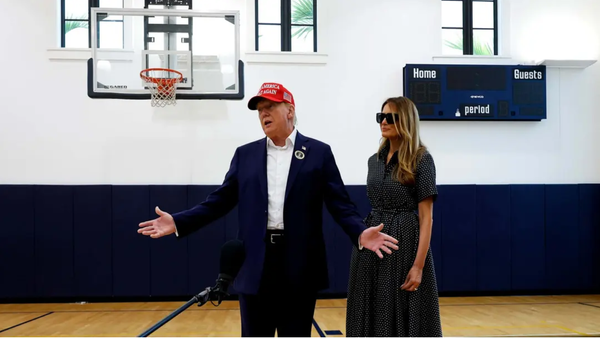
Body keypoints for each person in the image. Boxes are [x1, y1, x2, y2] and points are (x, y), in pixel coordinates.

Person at [137, 82, 399, 337]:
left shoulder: (319, 153)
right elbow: (219, 201)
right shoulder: (245, 155)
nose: (263, 113)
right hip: (256, 263)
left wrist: (360, 233)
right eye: (260, 109)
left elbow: (340, 204)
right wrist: (179, 222)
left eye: (270, 107)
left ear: (290, 111)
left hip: (300, 265)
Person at [345, 96, 443, 337]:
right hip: (371, 246)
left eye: (391, 117)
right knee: (367, 308)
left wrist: (418, 266)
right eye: (381, 116)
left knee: (399, 308)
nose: (384, 121)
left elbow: (426, 218)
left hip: (404, 244)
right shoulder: (373, 161)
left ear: (407, 120)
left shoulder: (422, 159)